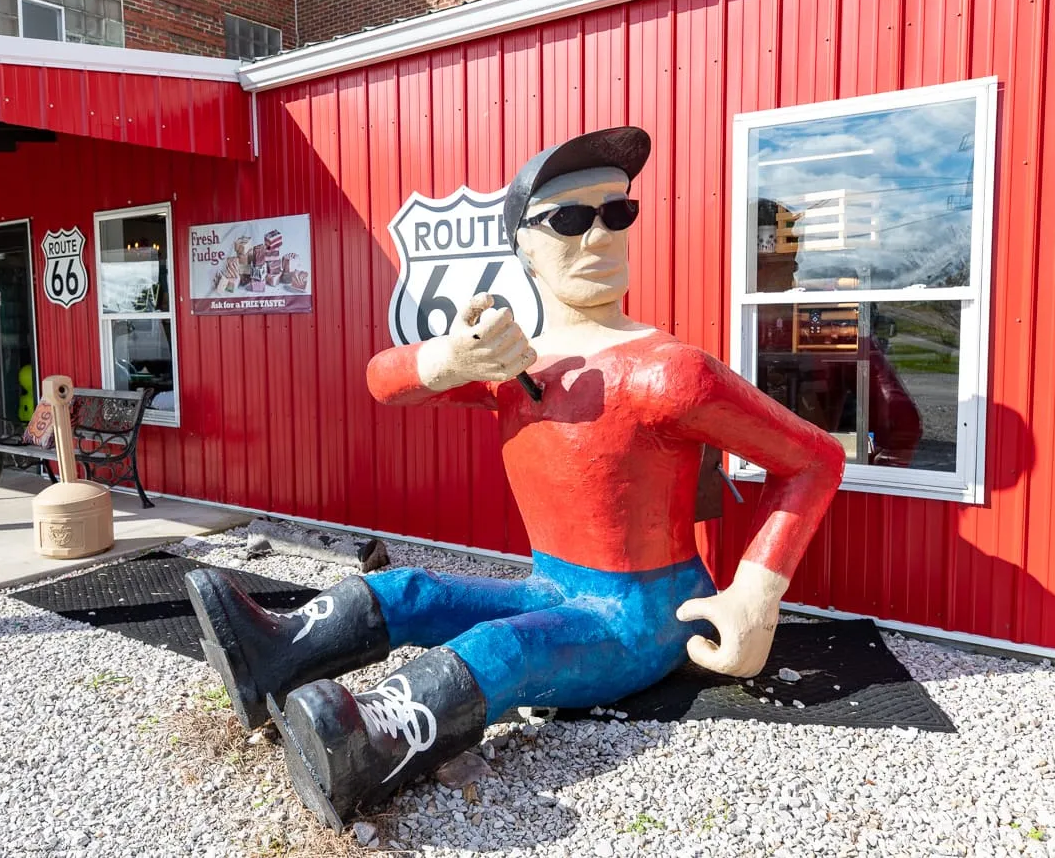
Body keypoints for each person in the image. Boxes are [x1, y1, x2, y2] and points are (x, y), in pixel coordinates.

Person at [186, 126, 845, 829]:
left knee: (506, 648)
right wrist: (451, 359)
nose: (599, 236)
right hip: (554, 584)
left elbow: (814, 457)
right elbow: (383, 380)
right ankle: (273, 654)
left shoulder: (669, 371)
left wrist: (754, 595)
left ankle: (370, 745)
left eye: (617, 213)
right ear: (525, 245)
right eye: (569, 218)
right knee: (411, 587)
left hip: (646, 616)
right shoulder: (515, 363)